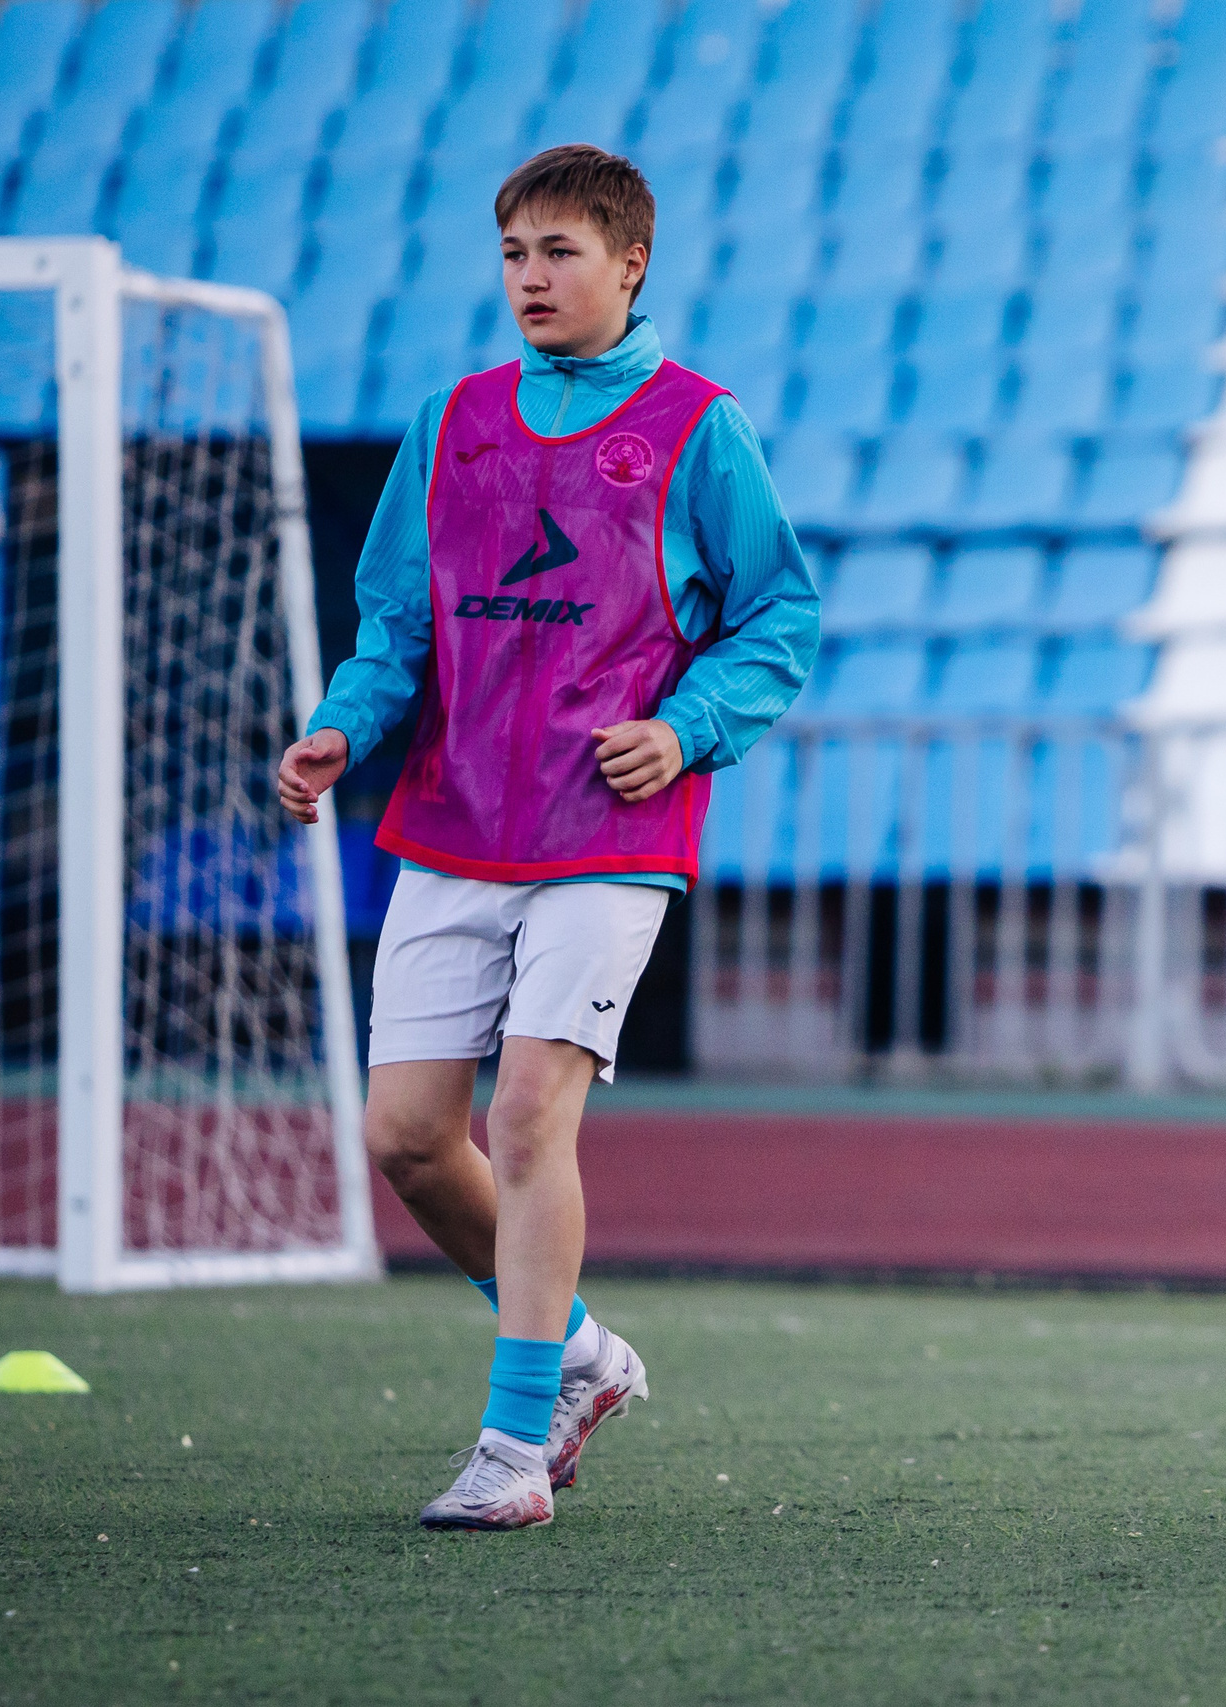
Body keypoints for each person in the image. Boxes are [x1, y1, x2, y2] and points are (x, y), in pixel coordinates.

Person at [276, 145, 818, 1531]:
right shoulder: (451, 421)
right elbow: (398, 621)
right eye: (516, 251)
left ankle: (513, 1452)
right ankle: (574, 1350)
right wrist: (345, 722)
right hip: (453, 825)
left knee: (526, 1115)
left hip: (608, 831)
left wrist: (687, 726)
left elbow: (779, 618)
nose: (532, 275)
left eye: (561, 251)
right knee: (405, 1136)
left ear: (631, 264)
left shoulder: (701, 426)